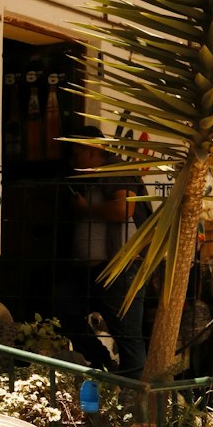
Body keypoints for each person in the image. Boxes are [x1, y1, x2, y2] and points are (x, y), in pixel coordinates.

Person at [65, 129, 149, 374]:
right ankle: (104, 363)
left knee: (128, 336)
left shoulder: (117, 171)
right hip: (93, 270)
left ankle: (134, 398)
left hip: (120, 269)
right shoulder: (98, 176)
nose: (73, 159)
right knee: (65, 306)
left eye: (76, 152)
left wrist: (85, 209)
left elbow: (124, 210)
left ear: (91, 151)